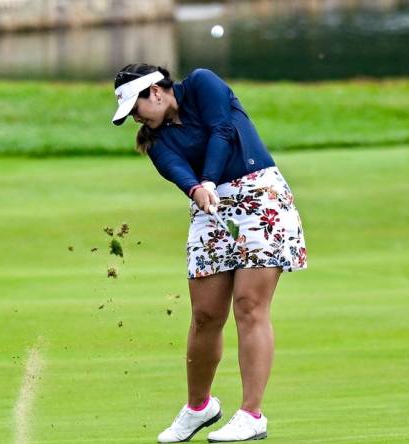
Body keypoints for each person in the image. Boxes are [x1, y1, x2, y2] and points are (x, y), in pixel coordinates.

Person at [111, 63, 307, 443]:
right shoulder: (155, 140)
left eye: (136, 106)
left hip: (259, 198)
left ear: (155, 91)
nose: (135, 116)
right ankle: (199, 408)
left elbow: (223, 129)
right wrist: (196, 189)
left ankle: (252, 415)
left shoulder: (202, 84)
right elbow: (174, 167)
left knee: (249, 306)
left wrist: (208, 180)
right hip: (209, 207)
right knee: (204, 315)